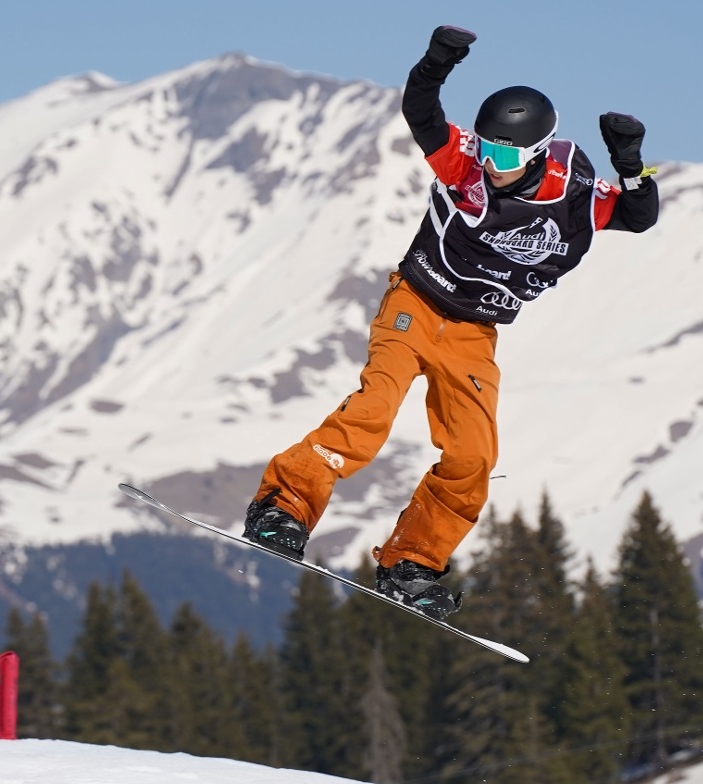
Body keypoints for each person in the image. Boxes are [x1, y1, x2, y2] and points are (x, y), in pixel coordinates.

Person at [242, 25, 659, 621]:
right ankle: (283, 507)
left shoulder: (574, 194)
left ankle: (412, 562)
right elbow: (421, 112)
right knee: (372, 411)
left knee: (472, 454)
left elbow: (638, 217)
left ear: (538, 152)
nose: (491, 163)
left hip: (473, 333)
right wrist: (440, 60)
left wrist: (630, 163)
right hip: (416, 302)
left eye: (506, 155)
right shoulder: (465, 167)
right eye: (487, 148)